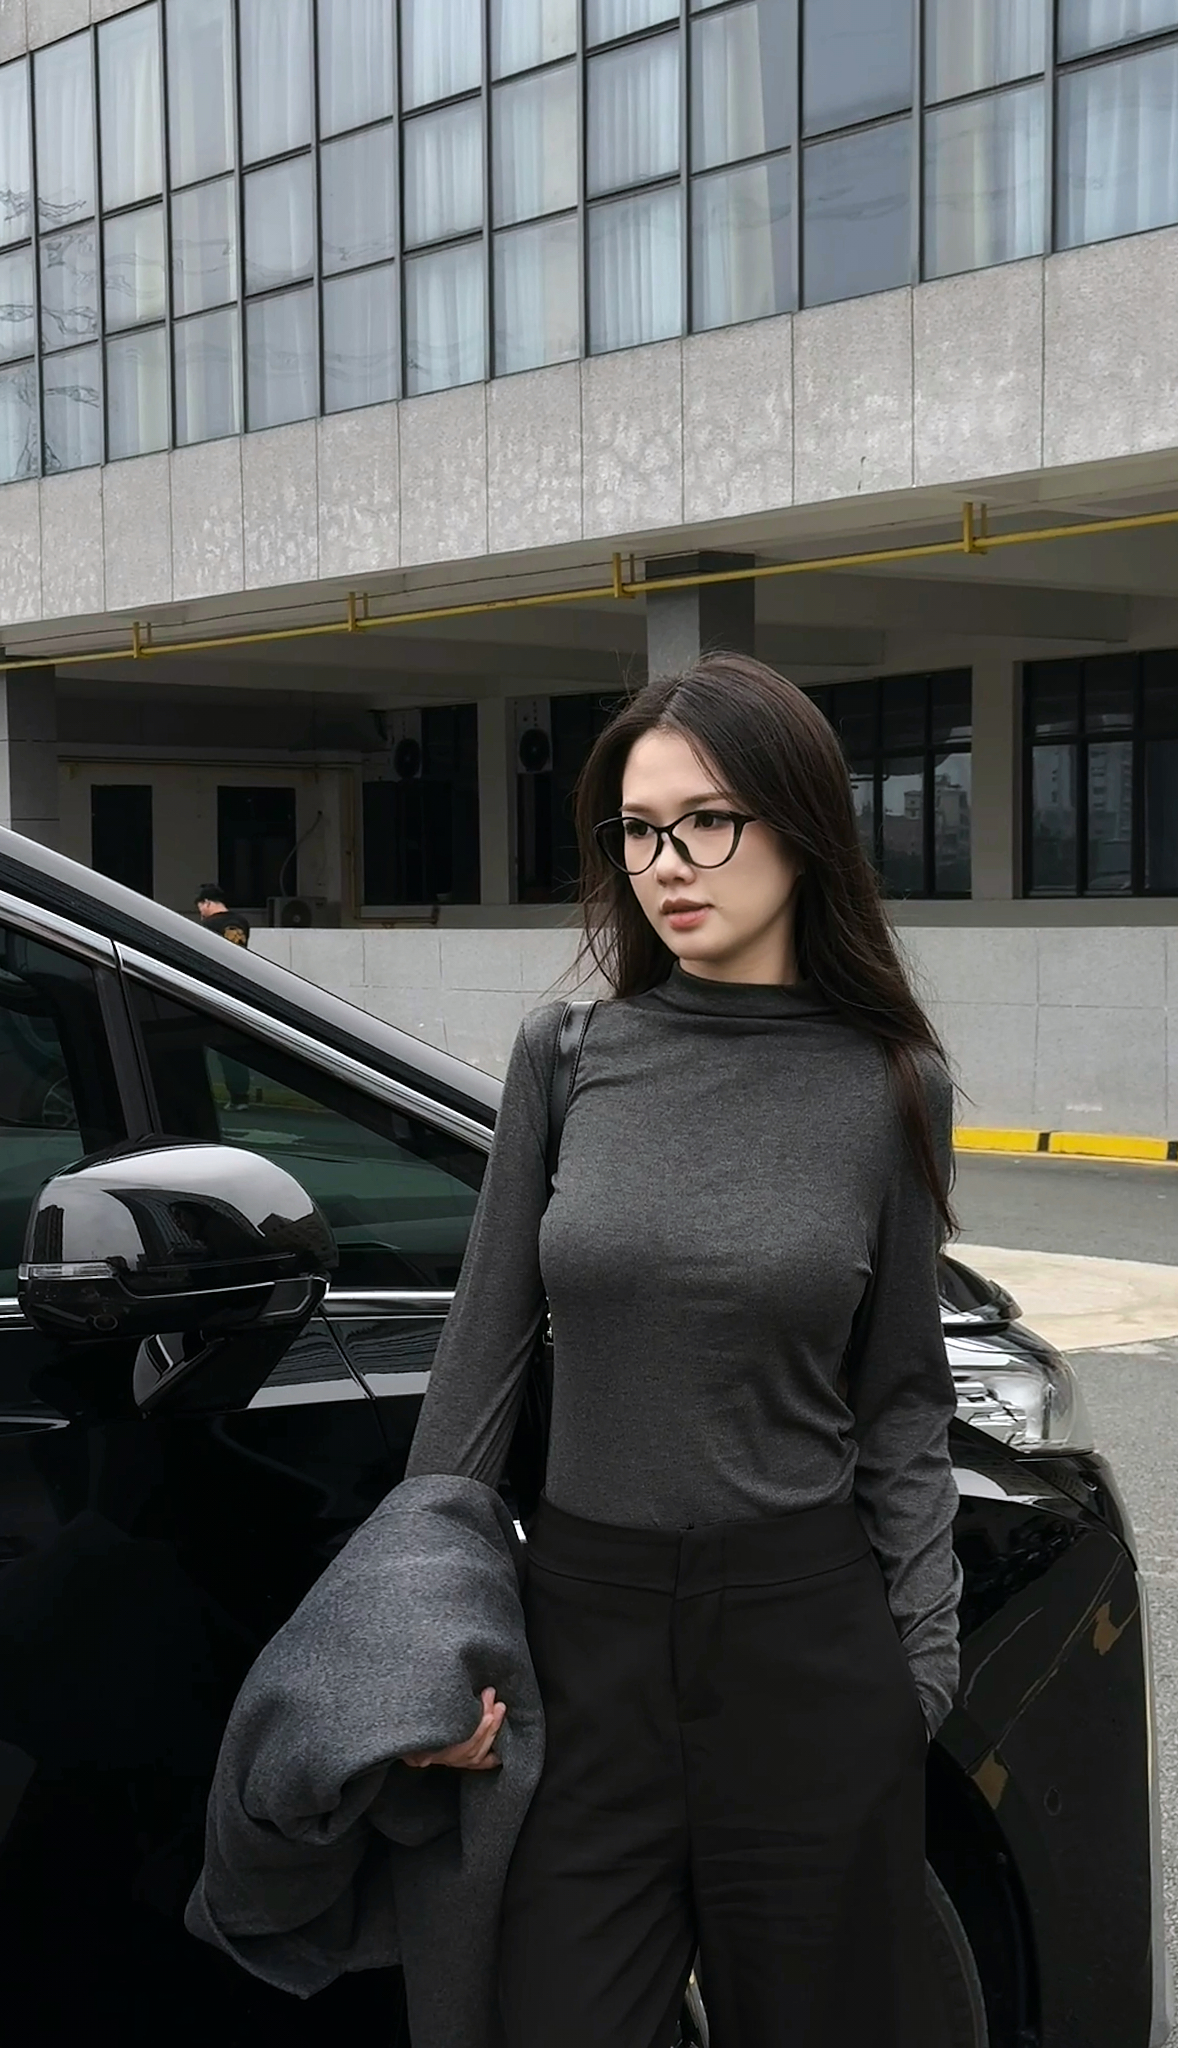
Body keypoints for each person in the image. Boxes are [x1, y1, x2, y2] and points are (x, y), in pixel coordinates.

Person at [403, 652, 962, 2048]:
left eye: (707, 821)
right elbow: (480, 1365)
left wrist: (920, 1677)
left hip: (806, 1647)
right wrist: (422, 1641)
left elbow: (902, 1395)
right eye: (641, 831)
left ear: (802, 826)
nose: (667, 864)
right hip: (583, 1647)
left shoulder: (891, 1083)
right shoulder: (568, 1054)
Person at [195, 887, 252, 1111]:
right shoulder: (242, 923)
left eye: (200, 906)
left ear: (207, 902)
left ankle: (198, 1097)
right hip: (237, 990)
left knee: (198, 1044)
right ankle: (240, 1097)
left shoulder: (207, 927)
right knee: (234, 1048)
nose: (200, 911)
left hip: (213, 990)